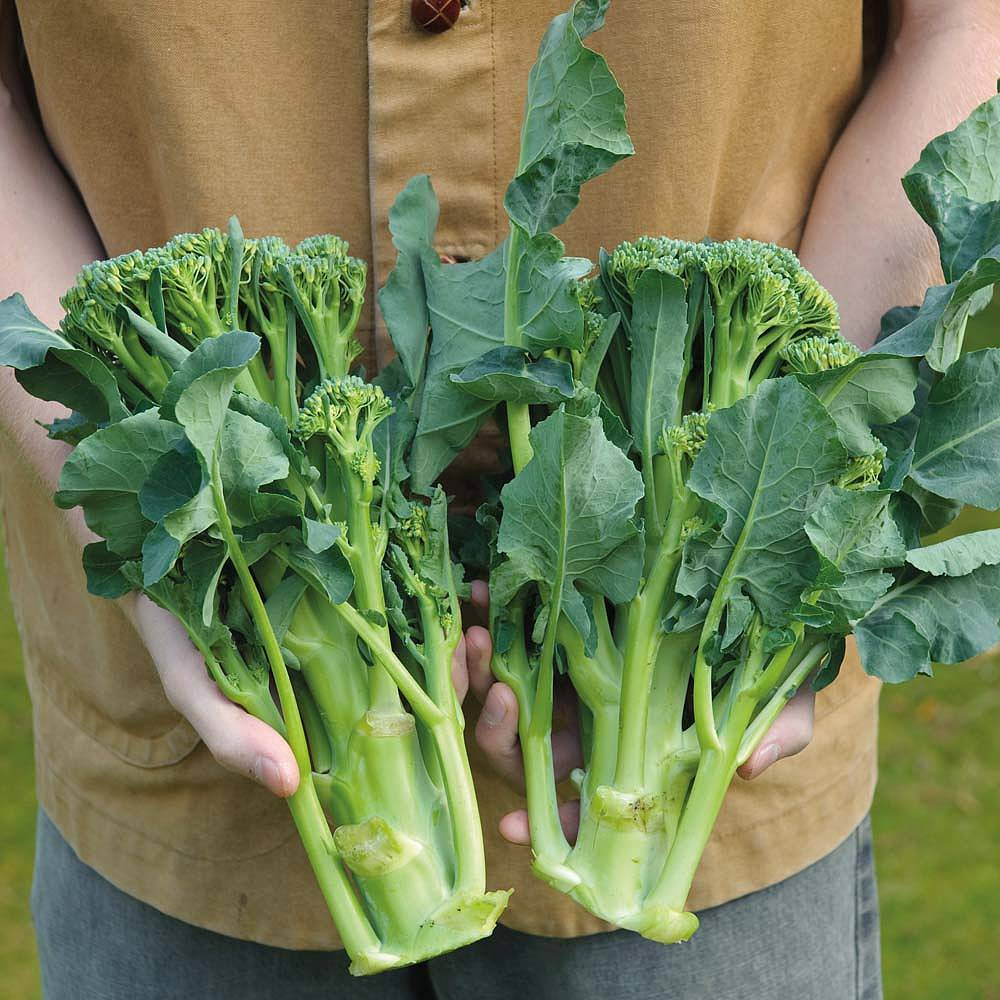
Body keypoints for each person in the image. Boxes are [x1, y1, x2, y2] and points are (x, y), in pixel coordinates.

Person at [1, 1, 996, 997]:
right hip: (185, 797)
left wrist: (783, 526)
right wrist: (154, 563)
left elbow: (961, 23)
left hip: (717, 822)